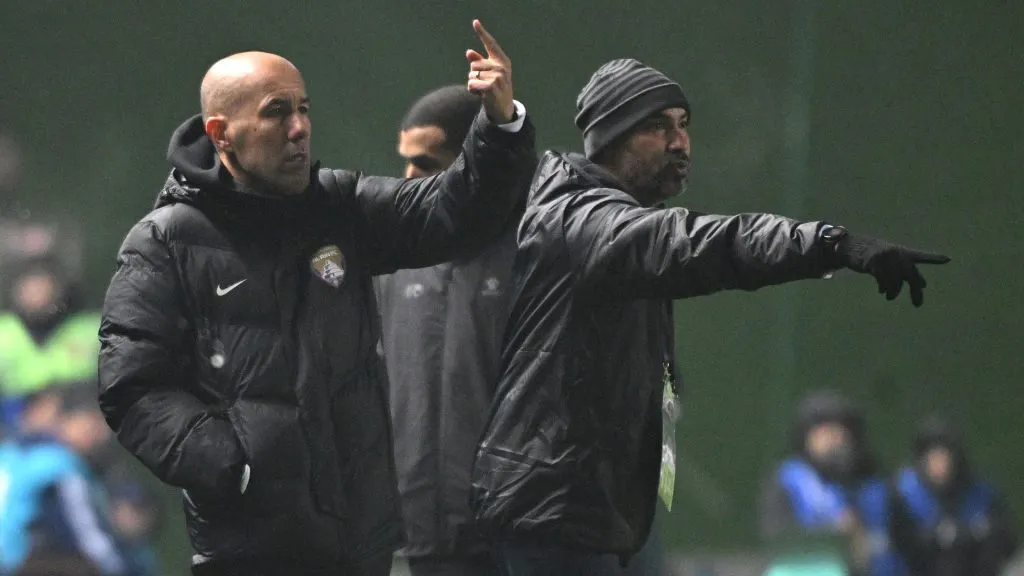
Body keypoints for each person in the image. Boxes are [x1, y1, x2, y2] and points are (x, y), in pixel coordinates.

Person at [469, 58, 948, 575]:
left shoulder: (605, 222)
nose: (681, 142)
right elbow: (709, 244)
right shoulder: (587, 223)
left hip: (581, 513)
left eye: (683, 124)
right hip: (554, 515)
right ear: (610, 139)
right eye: (658, 127)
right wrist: (831, 244)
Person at [96, 20, 535, 576]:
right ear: (221, 132)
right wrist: (234, 466)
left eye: (304, 109)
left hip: (361, 545)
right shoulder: (165, 241)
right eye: (277, 112)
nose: (300, 127)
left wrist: (499, 124)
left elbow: (455, 213)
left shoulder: (340, 206)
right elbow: (132, 387)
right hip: (248, 551)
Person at [375, 84, 525, 576]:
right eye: (406, 161)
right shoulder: (390, 258)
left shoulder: (536, 249)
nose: (409, 177)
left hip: (515, 537)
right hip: (416, 535)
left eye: (426, 163)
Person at [759, 391, 906, 575]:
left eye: (839, 432)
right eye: (824, 432)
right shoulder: (788, 480)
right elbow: (776, 535)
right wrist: (834, 534)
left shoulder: (877, 486)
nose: (833, 440)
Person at [0, 385, 127, 575]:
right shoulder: (62, 466)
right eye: (93, 424)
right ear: (68, 420)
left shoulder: (11, 452)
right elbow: (87, 533)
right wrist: (117, 568)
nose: (102, 436)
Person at [890, 414, 1018, 576]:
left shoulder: (981, 494)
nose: (941, 465)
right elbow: (902, 547)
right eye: (933, 457)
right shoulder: (904, 493)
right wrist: (936, 537)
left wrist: (975, 534)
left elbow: (1008, 543)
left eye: (945, 456)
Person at [0, 255, 100, 429]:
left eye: (43, 285)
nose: (37, 294)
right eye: (31, 286)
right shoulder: (5, 332)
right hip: (13, 428)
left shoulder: (91, 330)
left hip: (77, 425)